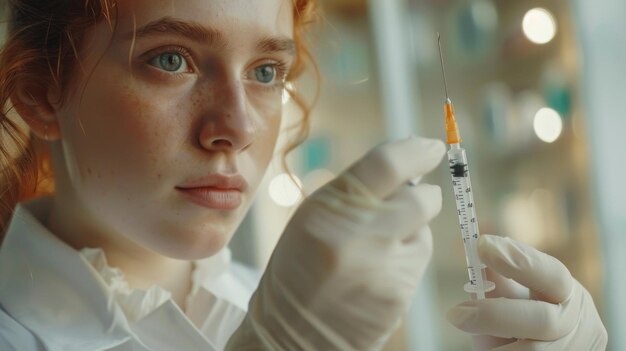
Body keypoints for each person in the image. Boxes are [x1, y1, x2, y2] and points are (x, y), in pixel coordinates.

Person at [0, 0, 607, 350]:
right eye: (171, 59)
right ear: (40, 92)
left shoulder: (283, 301)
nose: (236, 126)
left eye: (266, 72)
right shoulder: (295, 323)